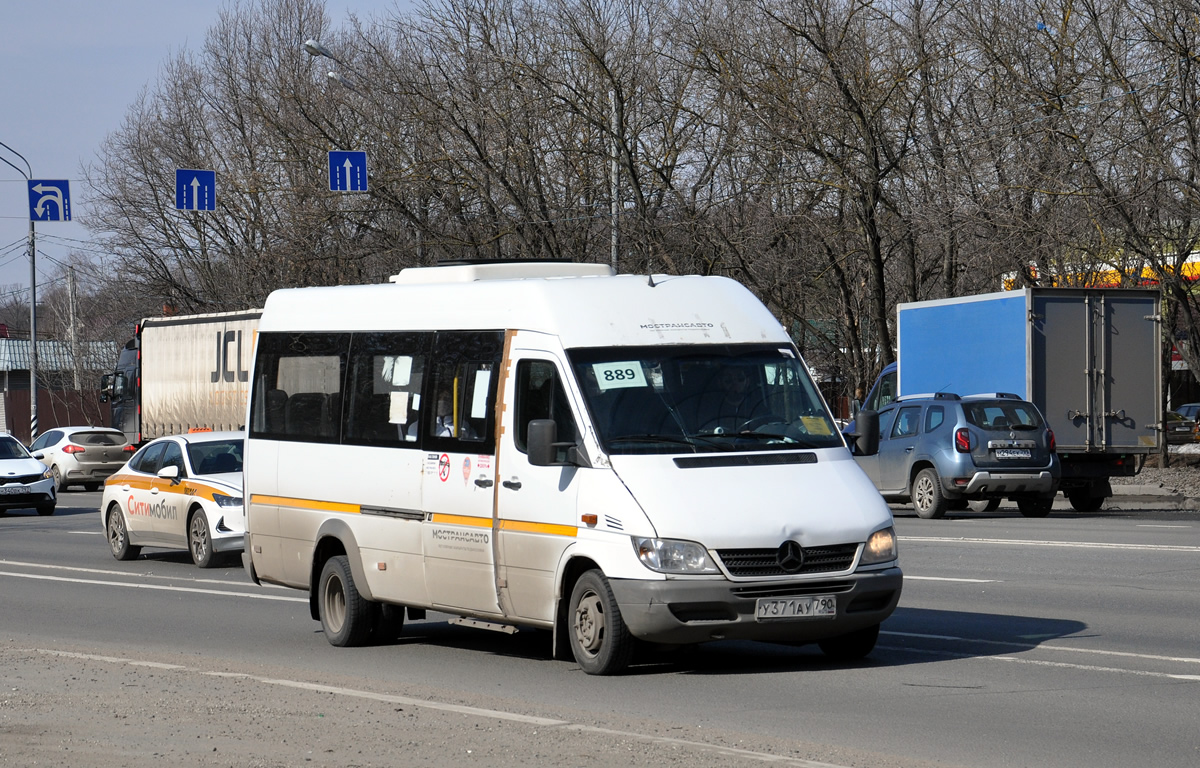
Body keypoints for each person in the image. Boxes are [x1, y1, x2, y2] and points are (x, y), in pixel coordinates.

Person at [701, 365, 767, 433]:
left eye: (740, 379)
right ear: (720, 383)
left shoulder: (758, 409)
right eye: (728, 380)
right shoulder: (710, 411)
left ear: (747, 382)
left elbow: (769, 429)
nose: (735, 384)